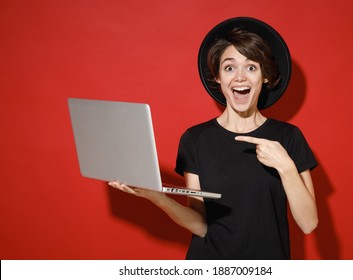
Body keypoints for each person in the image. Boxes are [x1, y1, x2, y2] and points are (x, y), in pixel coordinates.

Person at [109, 17, 318, 259]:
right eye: (229, 67)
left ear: (265, 77)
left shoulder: (288, 137)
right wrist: (156, 197)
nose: (240, 77)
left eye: (251, 67)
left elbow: (309, 223)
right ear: (218, 78)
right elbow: (199, 224)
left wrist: (285, 166)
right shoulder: (195, 139)